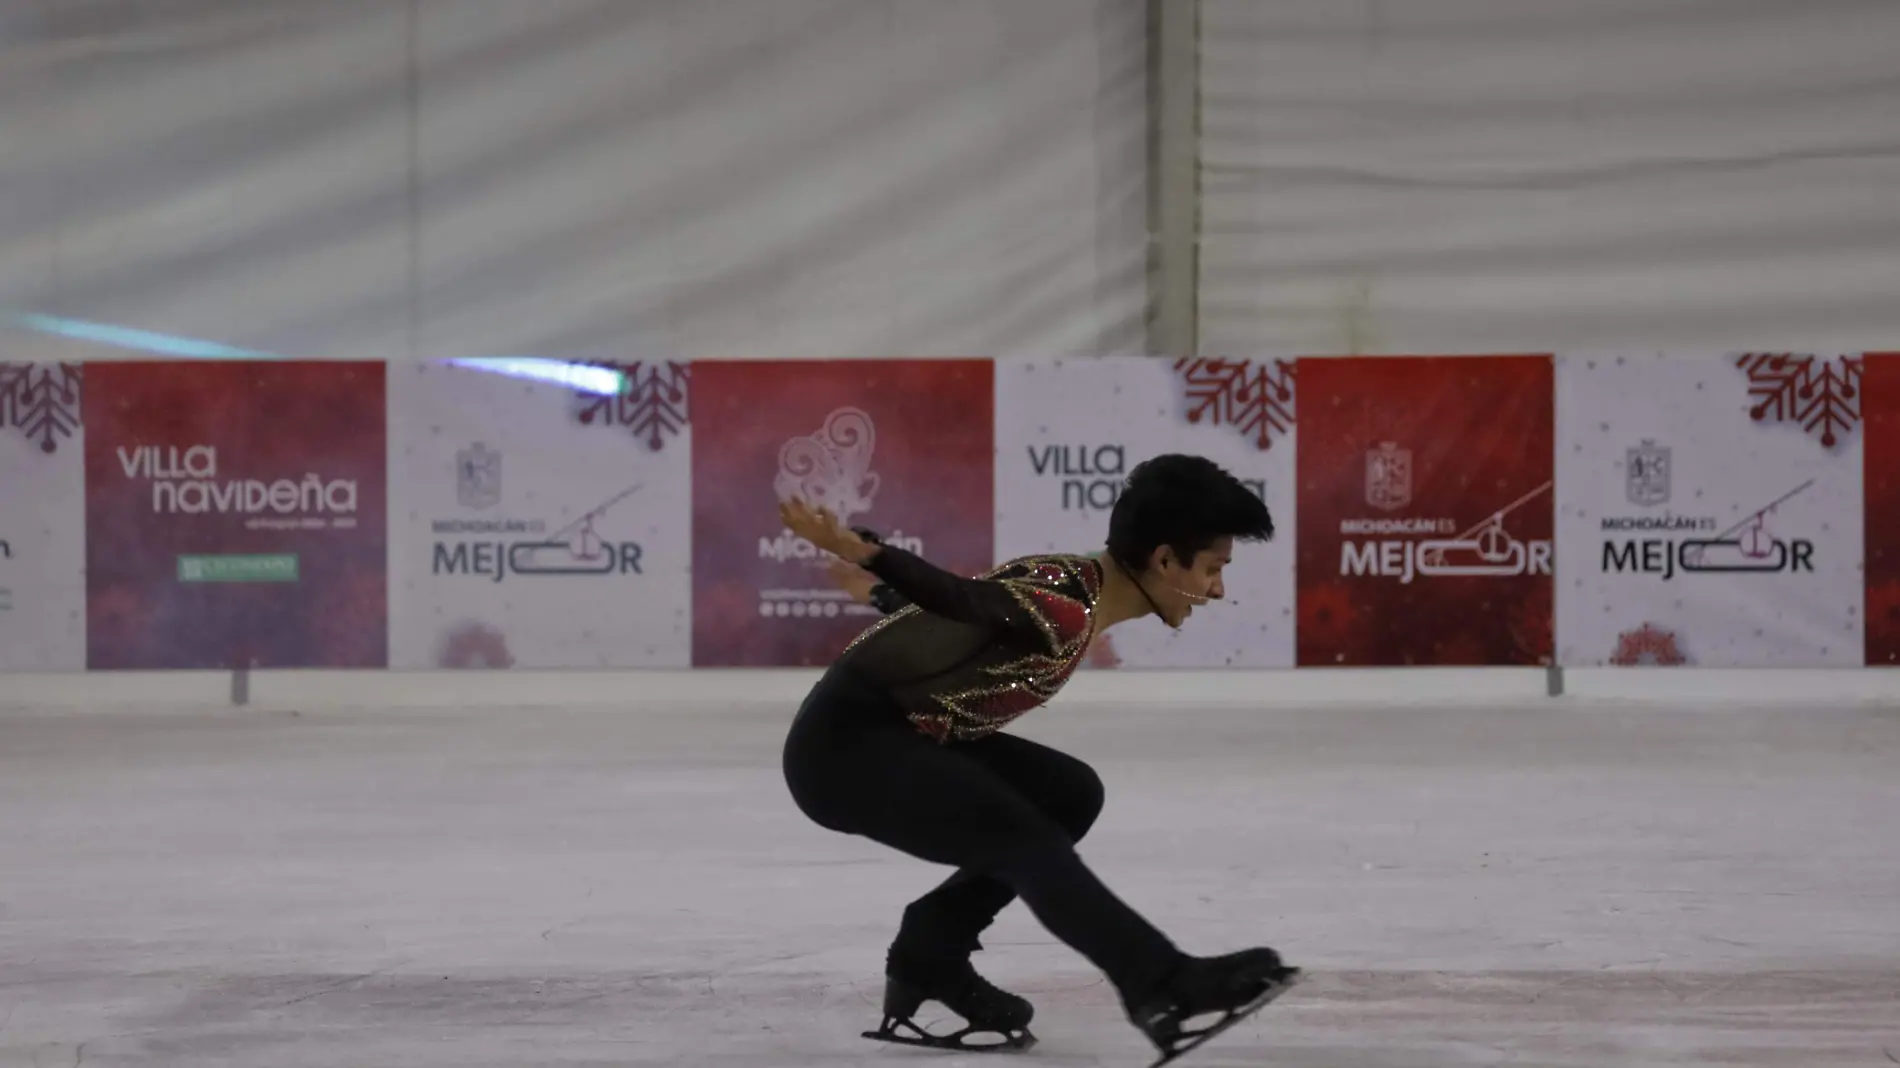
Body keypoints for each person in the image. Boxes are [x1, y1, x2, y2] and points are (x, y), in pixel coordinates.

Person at [778, 454, 1299, 1064]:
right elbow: (963, 600)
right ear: (1164, 560)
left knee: (1066, 793)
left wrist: (882, 591)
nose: (1218, 590)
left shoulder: (1071, 581)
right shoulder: (1067, 607)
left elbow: (958, 623)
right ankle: (1160, 984)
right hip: (846, 751)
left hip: (894, 733)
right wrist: (873, 556)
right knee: (1019, 837)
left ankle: (932, 953)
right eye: (1214, 569)